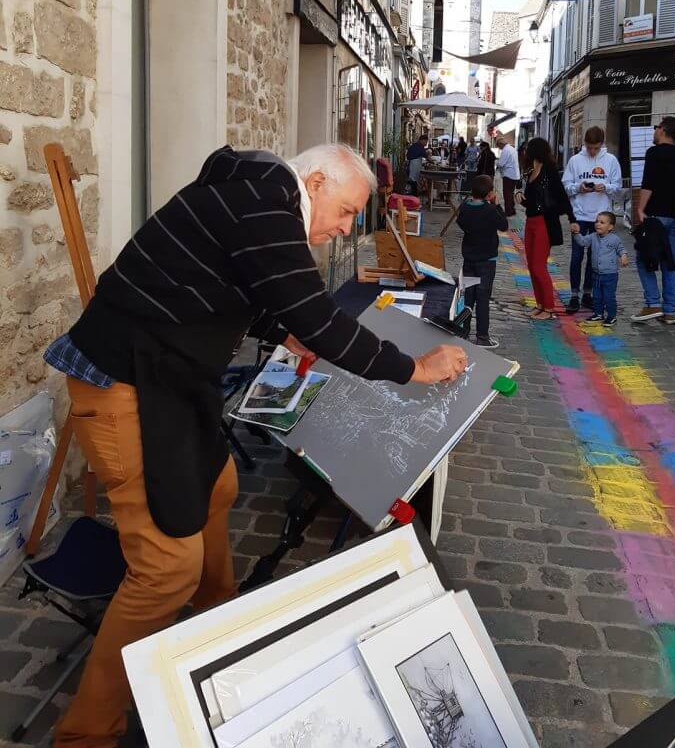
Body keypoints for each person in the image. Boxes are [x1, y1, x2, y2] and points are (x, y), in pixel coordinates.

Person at [42, 143, 467, 748]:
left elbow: (235, 291)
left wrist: (285, 332)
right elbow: (315, 316)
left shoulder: (255, 196)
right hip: (125, 385)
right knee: (165, 570)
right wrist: (415, 369)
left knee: (221, 483)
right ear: (315, 180)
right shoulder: (265, 205)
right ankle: (85, 735)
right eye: (345, 211)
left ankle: (215, 627)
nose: (344, 230)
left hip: (165, 379)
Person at [630, 116, 675, 325]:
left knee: (643, 259)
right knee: (669, 262)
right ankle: (669, 312)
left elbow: (648, 183)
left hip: (657, 215)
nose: (654, 131)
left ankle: (652, 303)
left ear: (663, 130)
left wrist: (640, 208)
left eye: (656, 127)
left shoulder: (654, 153)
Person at [515, 137, 579, 321]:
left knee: (539, 265)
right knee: (531, 266)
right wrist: (521, 196)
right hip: (531, 221)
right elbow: (531, 201)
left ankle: (549, 308)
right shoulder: (530, 171)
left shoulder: (549, 170)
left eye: (528, 148)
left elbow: (561, 195)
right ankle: (540, 304)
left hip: (545, 221)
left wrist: (572, 218)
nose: (525, 151)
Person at [562, 126, 622, 314]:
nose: (592, 151)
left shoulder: (611, 161)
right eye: (589, 147)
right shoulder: (575, 160)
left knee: (594, 258)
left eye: (596, 148)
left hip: (601, 217)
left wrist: (604, 187)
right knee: (577, 257)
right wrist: (579, 187)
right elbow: (566, 186)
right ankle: (574, 295)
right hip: (580, 215)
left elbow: (617, 187)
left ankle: (588, 293)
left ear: (601, 144)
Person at [457, 174, 509, 347]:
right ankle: (482, 336)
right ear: (489, 193)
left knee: (468, 296)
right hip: (486, 261)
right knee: (483, 297)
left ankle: (463, 331)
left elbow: (461, 222)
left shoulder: (465, 207)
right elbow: (504, 225)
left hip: (469, 259)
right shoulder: (489, 210)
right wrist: (497, 205)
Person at [572, 211, 629, 325]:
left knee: (608, 297)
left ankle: (611, 316)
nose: (598, 224)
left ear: (611, 227)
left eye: (602, 222)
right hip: (596, 274)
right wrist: (576, 234)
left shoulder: (614, 239)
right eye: (597, 221)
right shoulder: (593, 237)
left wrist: (623, 256)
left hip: (610, 275)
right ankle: (598, 314)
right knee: (597, 296)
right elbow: (582, 242)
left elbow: (621, 249)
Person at [496, 136, 521, 217]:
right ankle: (512, 209)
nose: (499, 148)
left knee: (507, 193)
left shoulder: (506, 150)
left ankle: (508, 211)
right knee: (511, 193)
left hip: (508, 175)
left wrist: (496, 162)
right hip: (514, 174)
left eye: (498, 146)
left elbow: (501, 163)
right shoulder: (512, 148)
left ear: (500, 144)